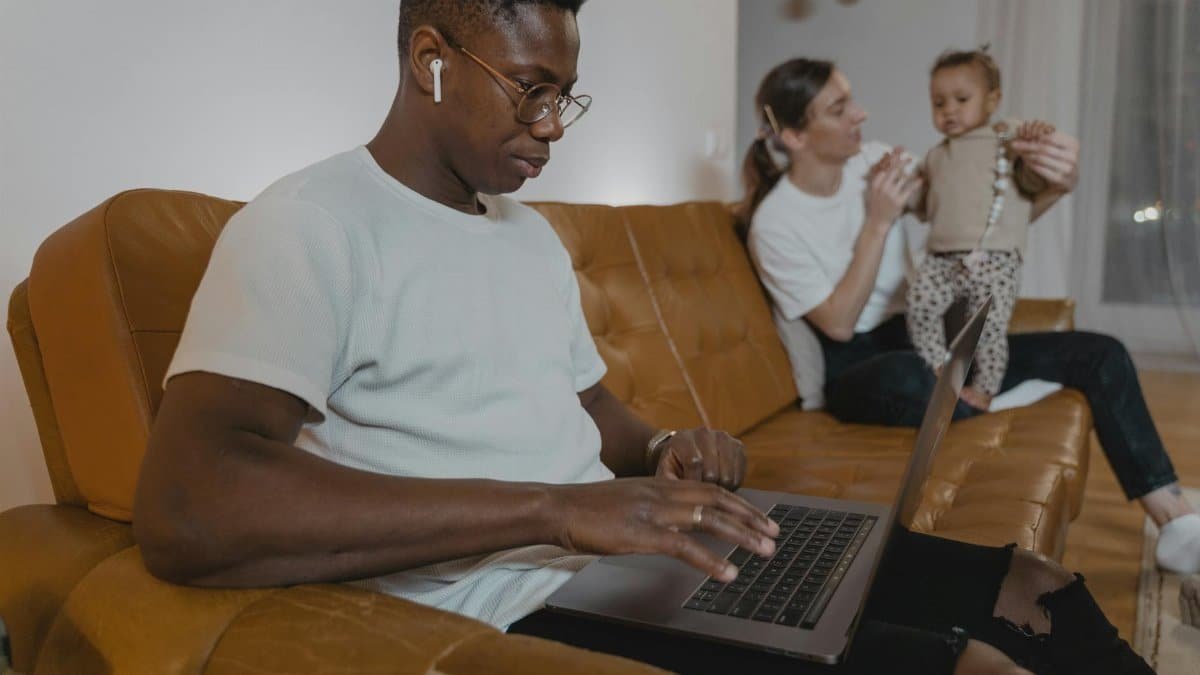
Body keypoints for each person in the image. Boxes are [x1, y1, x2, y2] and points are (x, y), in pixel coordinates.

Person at [132, 3, 1152, 673]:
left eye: (562, 95)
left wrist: (666, 451)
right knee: (963, 660)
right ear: (431, 61)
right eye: (529, 88)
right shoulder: (307, 224)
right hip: (522, 603)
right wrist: (565, 511)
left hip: (634, 555)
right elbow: (191, 508)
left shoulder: (525, 237)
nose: (551, 125)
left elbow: (591, 413)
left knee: (1031, 588)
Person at [741, 57, 1200, 586]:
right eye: (841, 108)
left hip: (926, 335)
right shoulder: (775, 223)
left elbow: (974, 226)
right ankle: (997, 392)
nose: (861, 114)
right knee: (914, 379)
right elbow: (839, 325)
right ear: (796, 135)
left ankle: (1175, 520)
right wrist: (877, 222)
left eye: (853, 99)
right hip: (856, 365)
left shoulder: (872, 159)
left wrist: (1055, 186)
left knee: (1100, 352)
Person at [906, 47, 1056, 412]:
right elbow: (927, 209)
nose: (949, 110)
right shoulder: (936, 155)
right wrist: (904, 187)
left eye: (961, 99)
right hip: (942, 257)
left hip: (995, 255)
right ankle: (940, 369)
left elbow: (1035, 182)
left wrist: (1036, 145)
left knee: (986, 326)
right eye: (938, 103)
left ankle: (985, 388)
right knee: (920, 305)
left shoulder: (1009, 136)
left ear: (993, 100)